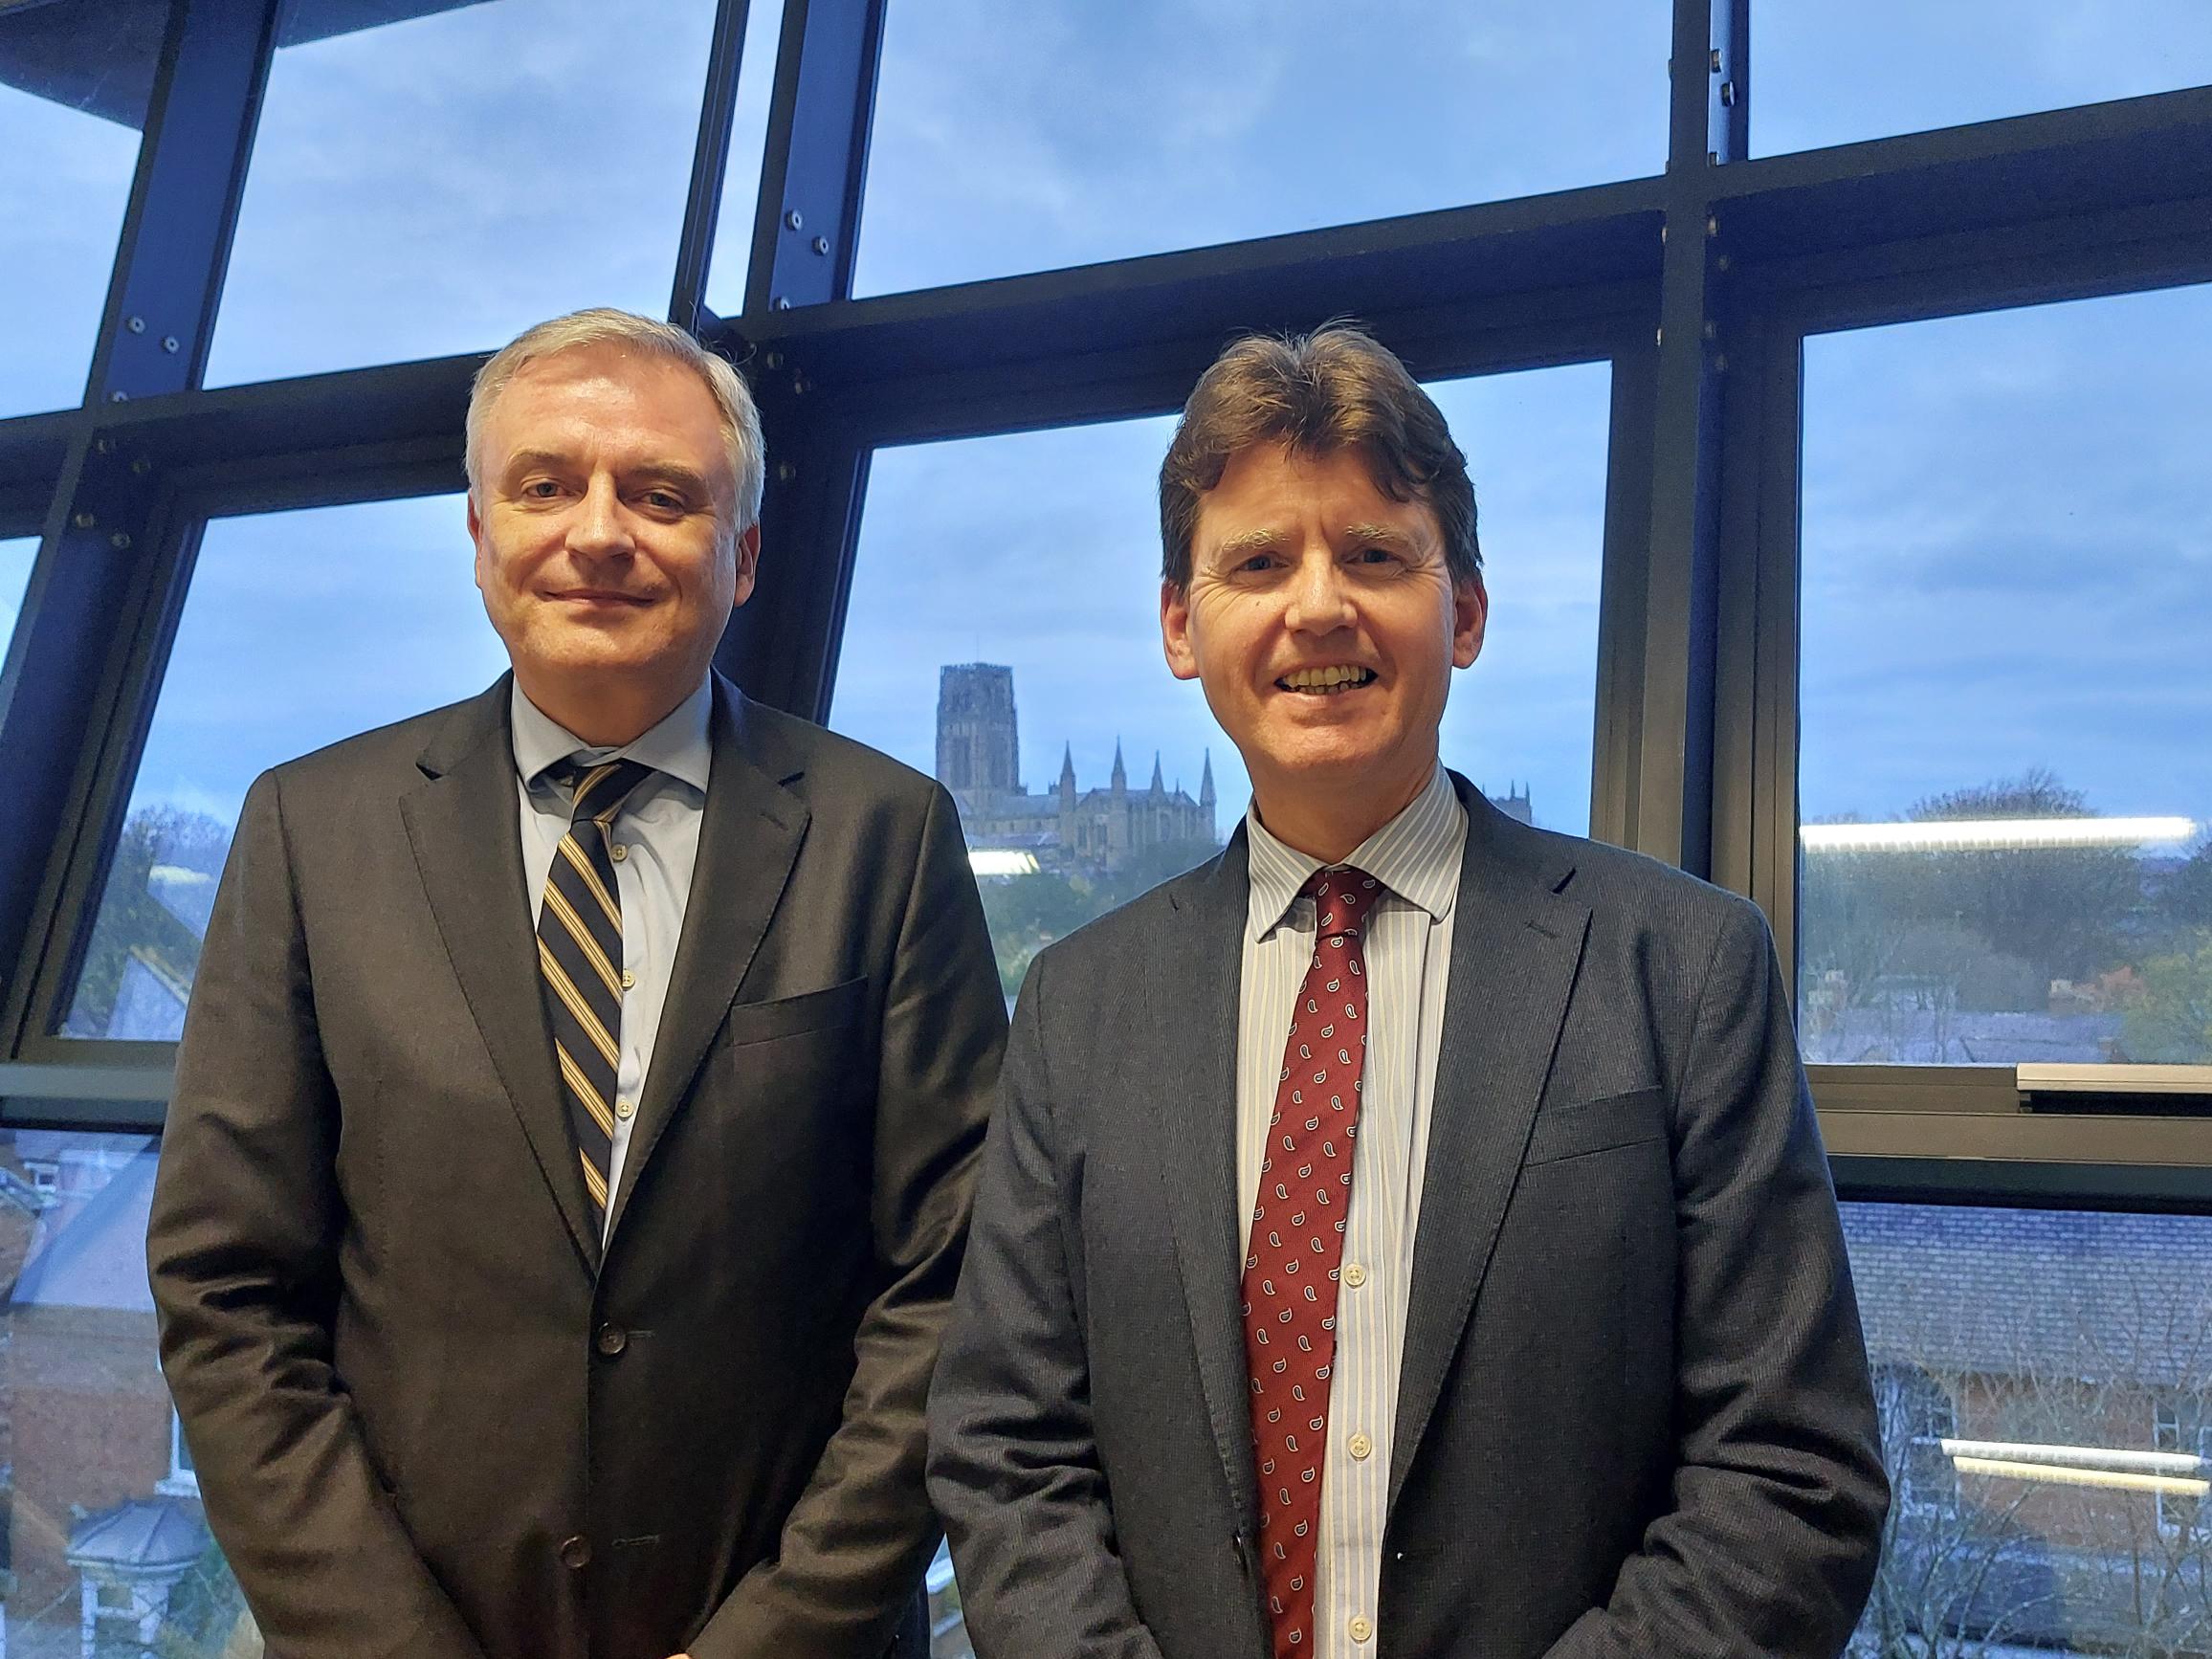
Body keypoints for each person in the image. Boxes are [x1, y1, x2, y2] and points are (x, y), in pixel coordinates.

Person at [928, 323, 1888, 1659]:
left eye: (1376, 554)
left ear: (1469, 610)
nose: (1318, 605)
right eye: (1256, 562)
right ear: (1178, 627)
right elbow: (1005, 1448)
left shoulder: (1683, 965)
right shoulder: (1079, 1004)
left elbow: (1791, 1473)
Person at [148, 307, 1006, 1659]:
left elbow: (953, 1290)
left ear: (746, 556)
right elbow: (227, 1292)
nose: (598, 532)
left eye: (664, 494)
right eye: (545, 485)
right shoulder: (312, 832)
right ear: (481, 537)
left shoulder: (882, 836)